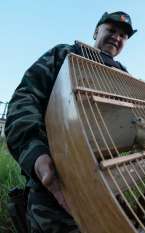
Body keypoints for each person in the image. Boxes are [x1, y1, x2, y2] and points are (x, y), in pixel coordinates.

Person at [5, 11, 137, 233]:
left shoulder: (123, 76)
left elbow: (133, 123)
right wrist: (37, 156)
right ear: (96, 31)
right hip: (56, 188)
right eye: (111, 30)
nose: (117, 37)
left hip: (106, 186)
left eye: (123, 35)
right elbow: (24, 100)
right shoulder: (64, 54)